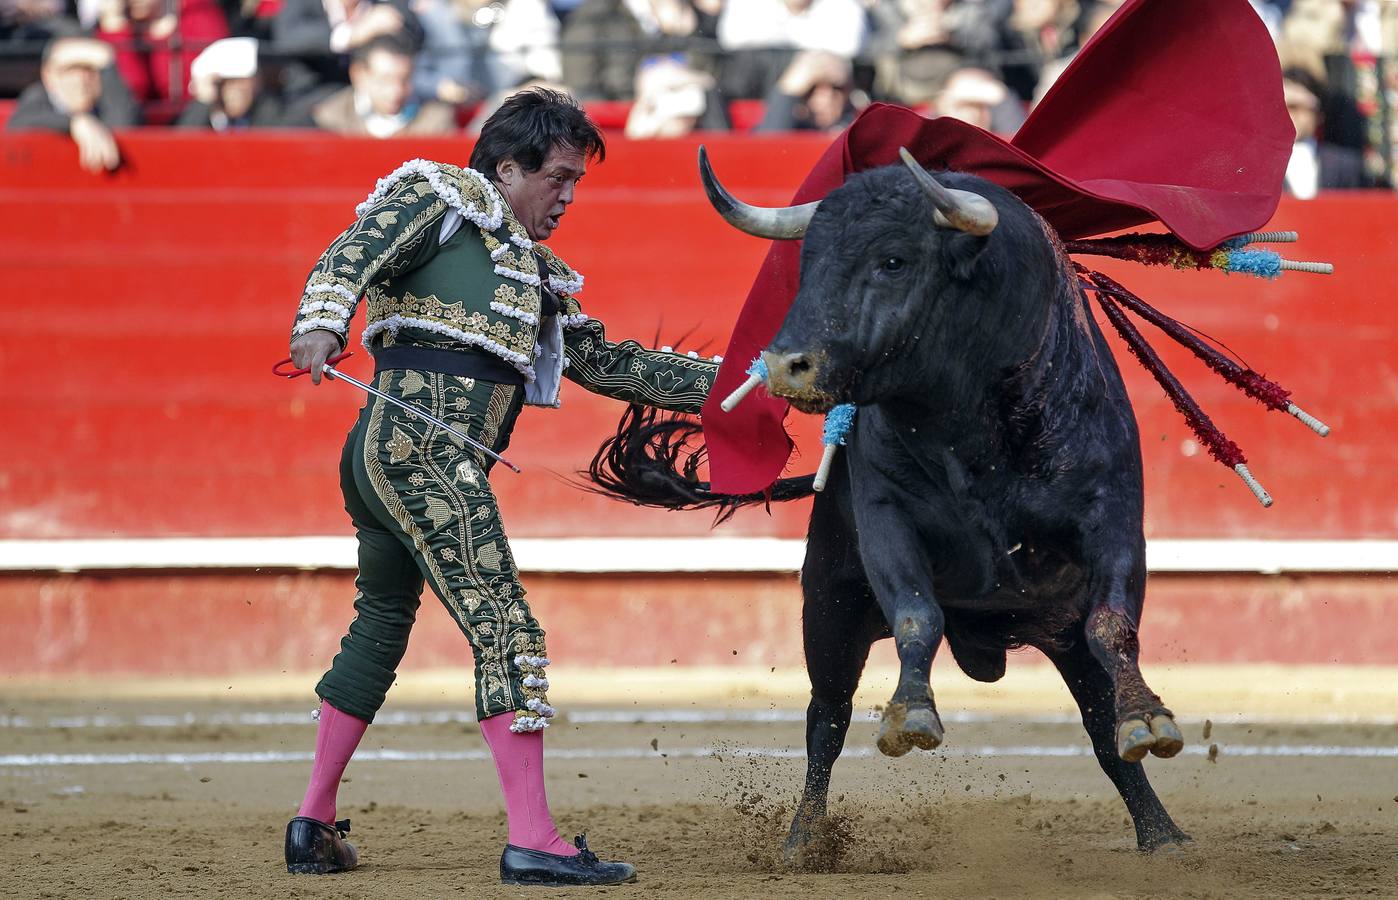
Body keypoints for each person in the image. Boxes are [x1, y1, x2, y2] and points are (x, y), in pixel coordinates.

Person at [283, 87, 717, 886]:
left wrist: (749, 386)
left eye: (577, 182)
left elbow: (613, 365)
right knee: (506, 625)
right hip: (415, 446)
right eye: (557, 177)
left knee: (381, 621)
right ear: (507, 167)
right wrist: (321, 320)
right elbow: (351, 253)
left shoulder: (536, 271)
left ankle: (312, 822)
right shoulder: (439, 198)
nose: (568, 196)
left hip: (399, 454)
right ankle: (534, 840)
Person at [6, 33, 140, 173]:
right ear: (48, 75)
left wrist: (107, 61)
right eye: (70, 70)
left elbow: (126, 125)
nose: (81, 79)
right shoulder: (37, 98)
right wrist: (74, 123)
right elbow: (19, 124)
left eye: (90, 69)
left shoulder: (108, 103)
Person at [307, 33, 455, 137]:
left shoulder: (436, 121)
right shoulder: (330, 117)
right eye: (385, 80)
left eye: (404, 79)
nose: (396, 91)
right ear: (358, 75)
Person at [175, 36, 284, 129]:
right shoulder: (206, 120)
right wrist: (205, 101)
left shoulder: (271, 115)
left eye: (240, 80)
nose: (233, 90)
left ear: (256, 81)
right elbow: (181, 146)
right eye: (223, 83)